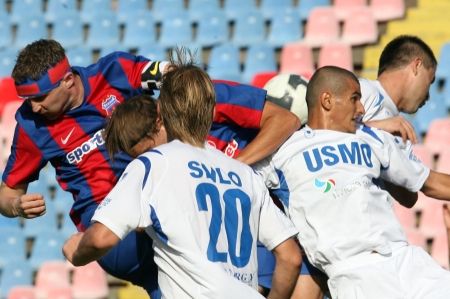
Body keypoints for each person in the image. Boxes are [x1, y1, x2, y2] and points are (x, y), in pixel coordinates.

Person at [0, 39, 300, 298]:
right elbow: (7, 193)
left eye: (39, 98)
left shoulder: (114, 70)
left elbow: (173, 77)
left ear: (67, 80)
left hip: (162, 196)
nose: (33, 107)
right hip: (112, 225)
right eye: (27, 100)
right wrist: (15, 206)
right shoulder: (30, 125)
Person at [255, 66, 450, 299]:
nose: (362, 108)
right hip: (354, 274)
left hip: (406, 260)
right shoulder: (283, 153)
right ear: (327, 100)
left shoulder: (370, 137)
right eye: (354, 99)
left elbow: (431, 182)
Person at [360, 34, 437, 143]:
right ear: (417, 66)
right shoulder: (363, 90)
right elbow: (329, 130)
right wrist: (376, 126)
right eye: (430, 81)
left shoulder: (398, 126)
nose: (428, 96)